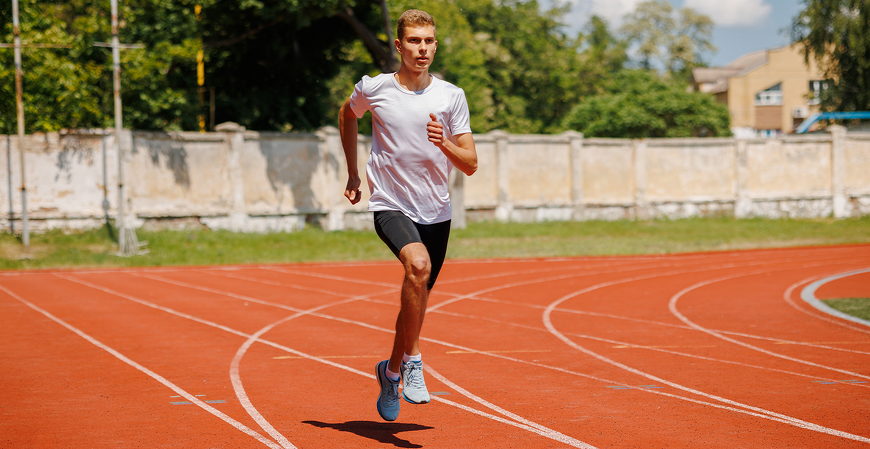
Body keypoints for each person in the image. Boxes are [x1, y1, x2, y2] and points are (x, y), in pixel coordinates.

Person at [338, 9, 478, 422]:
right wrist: (351, 171)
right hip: (390, 203)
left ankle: (391, 370)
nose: (423, 48)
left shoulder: (451, 96)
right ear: (399, 46)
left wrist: (444, 144)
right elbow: (348, 115)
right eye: (415, 41)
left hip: (436, 209)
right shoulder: (375, 88)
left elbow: (469, 163)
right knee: (417, 265)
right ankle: (414, 360)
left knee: (415, 298)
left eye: (429, 41)